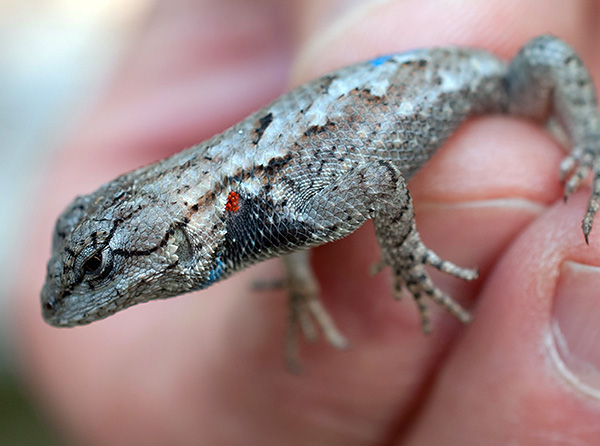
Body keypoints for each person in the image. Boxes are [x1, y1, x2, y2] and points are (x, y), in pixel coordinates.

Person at [14, 0, 600, 444]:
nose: (81, 295)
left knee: (545, 56)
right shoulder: (253, 206)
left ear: (177, 232)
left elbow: (378, 182)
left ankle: (593, 142)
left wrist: (406, 258)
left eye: (99, 269)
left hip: (485, 87)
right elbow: (283, 219)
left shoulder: (278, 200)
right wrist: (300, 275)